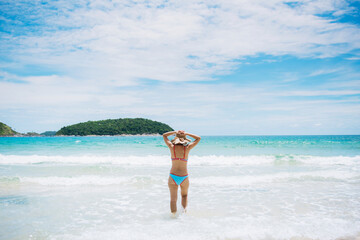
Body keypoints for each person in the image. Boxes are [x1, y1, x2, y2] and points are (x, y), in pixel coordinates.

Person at [162, 130, 201, 215]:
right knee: (184, 196)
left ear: (176, 139)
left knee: (173, 199)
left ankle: (173, 217)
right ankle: (183, 215)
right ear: (184, 140)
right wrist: (186, 133)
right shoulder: (187, 148)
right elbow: (198, 138)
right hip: (184, 176)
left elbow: (164, 135)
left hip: (173, 176)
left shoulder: (172, 147)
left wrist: (175, 132)